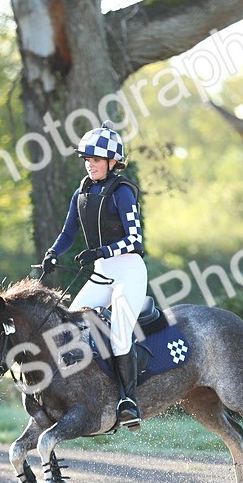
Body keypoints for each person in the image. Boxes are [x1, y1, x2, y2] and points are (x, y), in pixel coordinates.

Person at [41, 120, 147, 430]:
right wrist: (52, 253)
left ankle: (129, 402)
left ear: (113, 162)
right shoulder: (82, 192)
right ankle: (82, 395)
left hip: (128, 272)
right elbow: (67, 232)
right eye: (87, 159)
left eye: (96, 159)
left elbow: (134, 240)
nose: (90, 164)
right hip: (102, 273)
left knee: (120, 334)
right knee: (68, 326)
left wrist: (101, 251)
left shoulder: (123, 192)